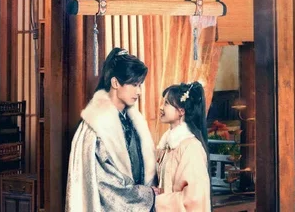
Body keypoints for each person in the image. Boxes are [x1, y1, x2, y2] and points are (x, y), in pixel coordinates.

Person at [66, 48, 157, 212]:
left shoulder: (135, 121)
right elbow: (105, 186)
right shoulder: (95, 128)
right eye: (134, 85)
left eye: (140, 85)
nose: (139, 91)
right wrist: (147, 195)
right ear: (115, 83)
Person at [154, 81, 212, 211]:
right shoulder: (168, 145)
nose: (161, 108)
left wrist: (157, 201)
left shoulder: (191, 148)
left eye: (166, 103)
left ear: (181, 111)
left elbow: (193, 199)